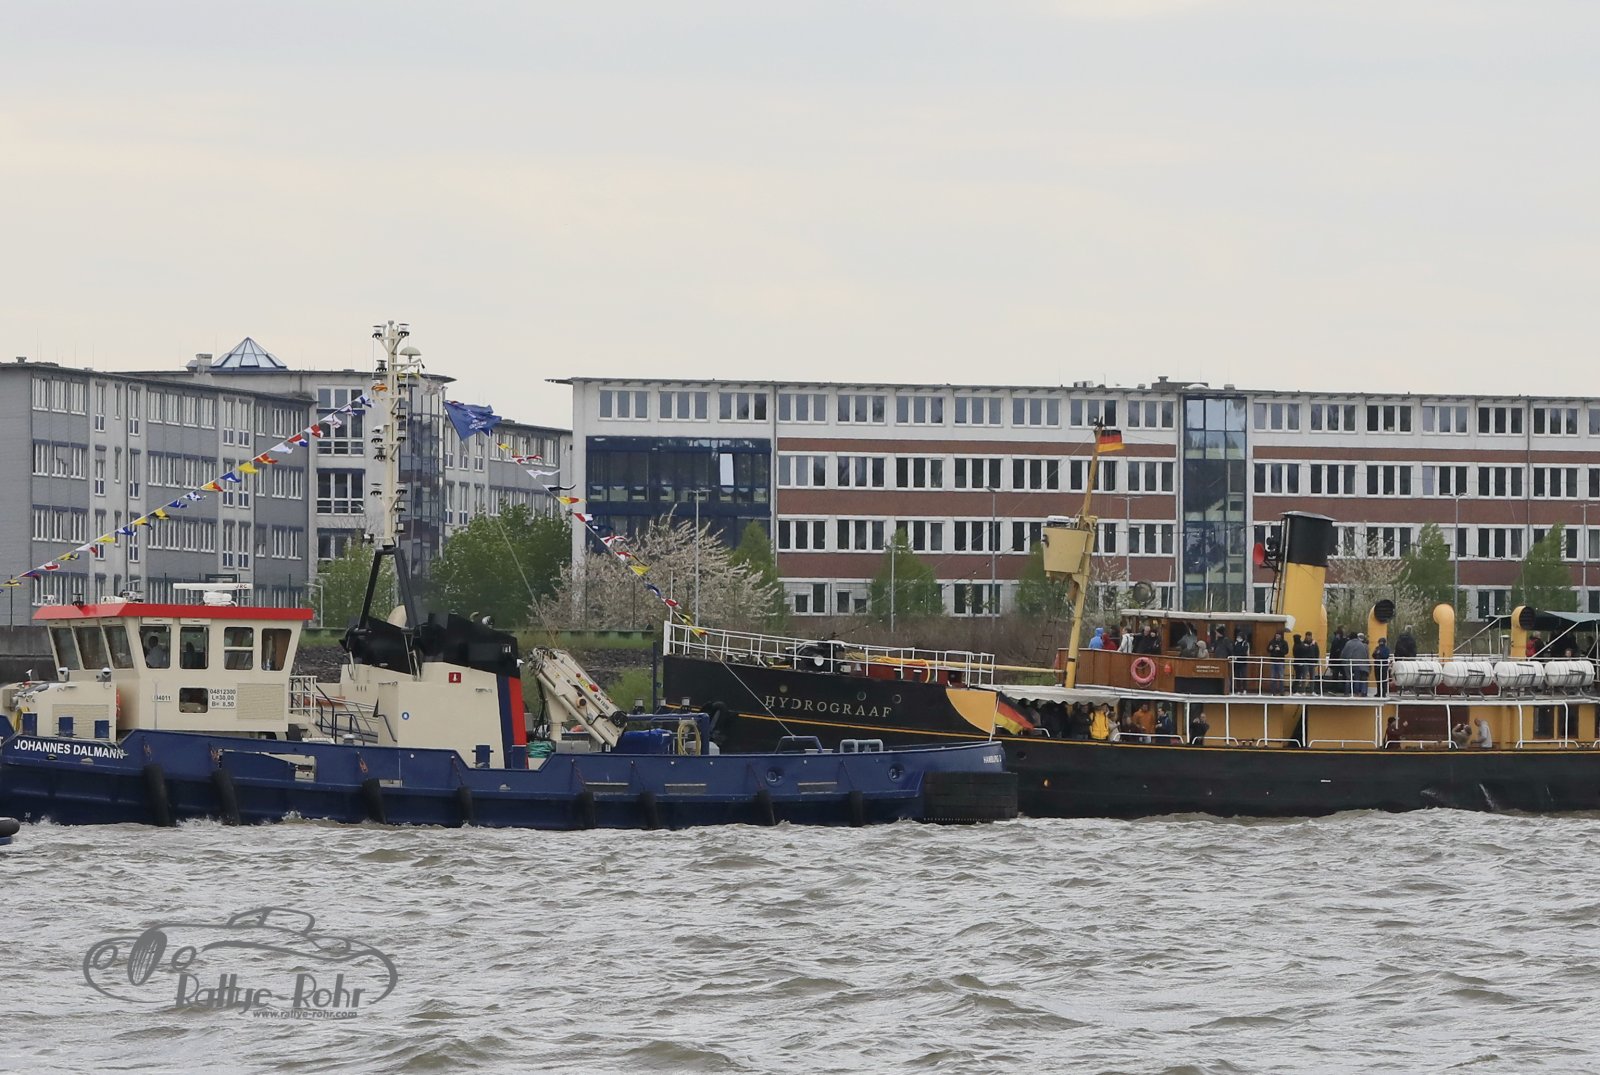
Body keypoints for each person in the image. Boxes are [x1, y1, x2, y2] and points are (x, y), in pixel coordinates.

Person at [1342, 632, 1369, 696]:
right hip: (1361, 665)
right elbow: (1365, 655)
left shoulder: (1348, 643)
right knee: (1359, 679)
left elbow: (1344, 654)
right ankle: (1358, 693)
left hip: (1349, 663)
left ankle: (1347, 692)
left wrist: (1342, 661)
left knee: (1348, 678)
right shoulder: (1361, 644)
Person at [1266, 629, 1288, 696]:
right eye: (1276, 635)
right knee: (1273, 676)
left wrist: (1280, 650)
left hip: (1280, 661)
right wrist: (1269, 648)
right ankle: (1273, 691)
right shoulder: (1272, 641)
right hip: (1273, 660)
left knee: (1281, 676)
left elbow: (1286, 651)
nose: (1277, 636)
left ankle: (1281, 691)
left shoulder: (1284, 642)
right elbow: (1268, 649)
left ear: (1281, 636)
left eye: (1278, 635)